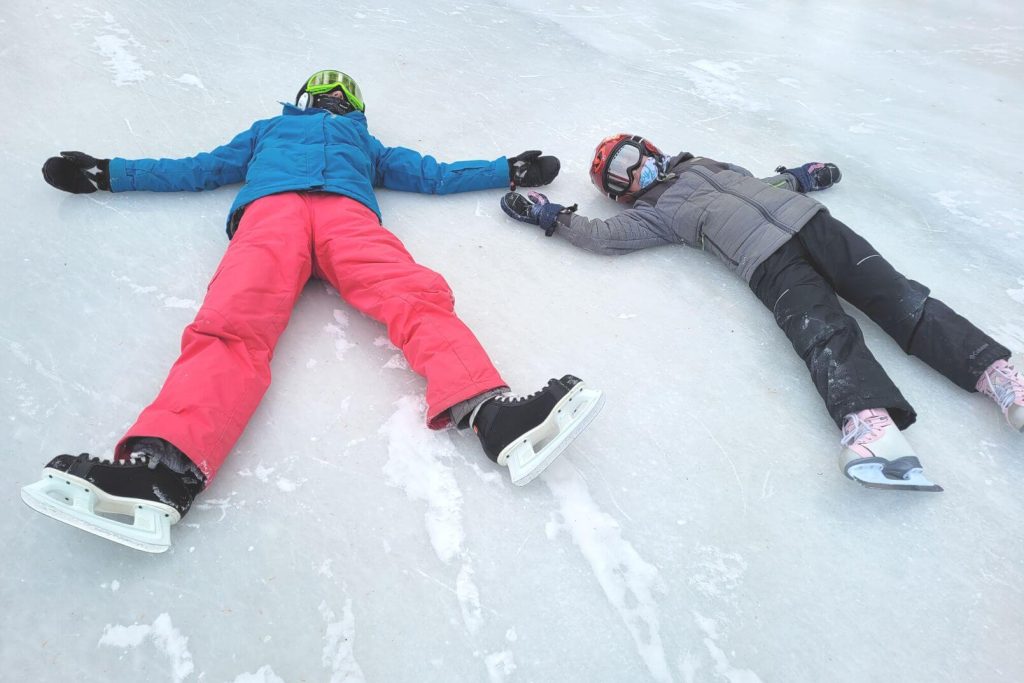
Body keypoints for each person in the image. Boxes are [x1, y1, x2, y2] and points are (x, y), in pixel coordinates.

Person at [21, 70, 604, 553]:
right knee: (231, 324)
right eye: (321, 92)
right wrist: (107, 172)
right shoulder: (268, 131)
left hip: (347, 219)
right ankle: (162, 471)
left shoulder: (365, 145)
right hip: (270, 215)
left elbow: (432, 174)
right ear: (302, 99)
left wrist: (508, 169)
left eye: (339, 94)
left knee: (413, 294)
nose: (329, 100)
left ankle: (493, 414)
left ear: (353, 105)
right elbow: (196, 168)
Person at [500, 133, 1023, 492]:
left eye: (630, 156)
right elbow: (601, 237)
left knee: (900, 297)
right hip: (766, 263)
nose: (635, 170)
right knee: (823, 333)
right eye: (620, 175)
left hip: (814, 224)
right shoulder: (654, 214)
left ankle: (1001, 378)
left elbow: (760, 185)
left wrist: (800, 177)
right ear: (621, 193)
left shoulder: (702, 163)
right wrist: (551, 216)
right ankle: (874, 431)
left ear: (648, 146)